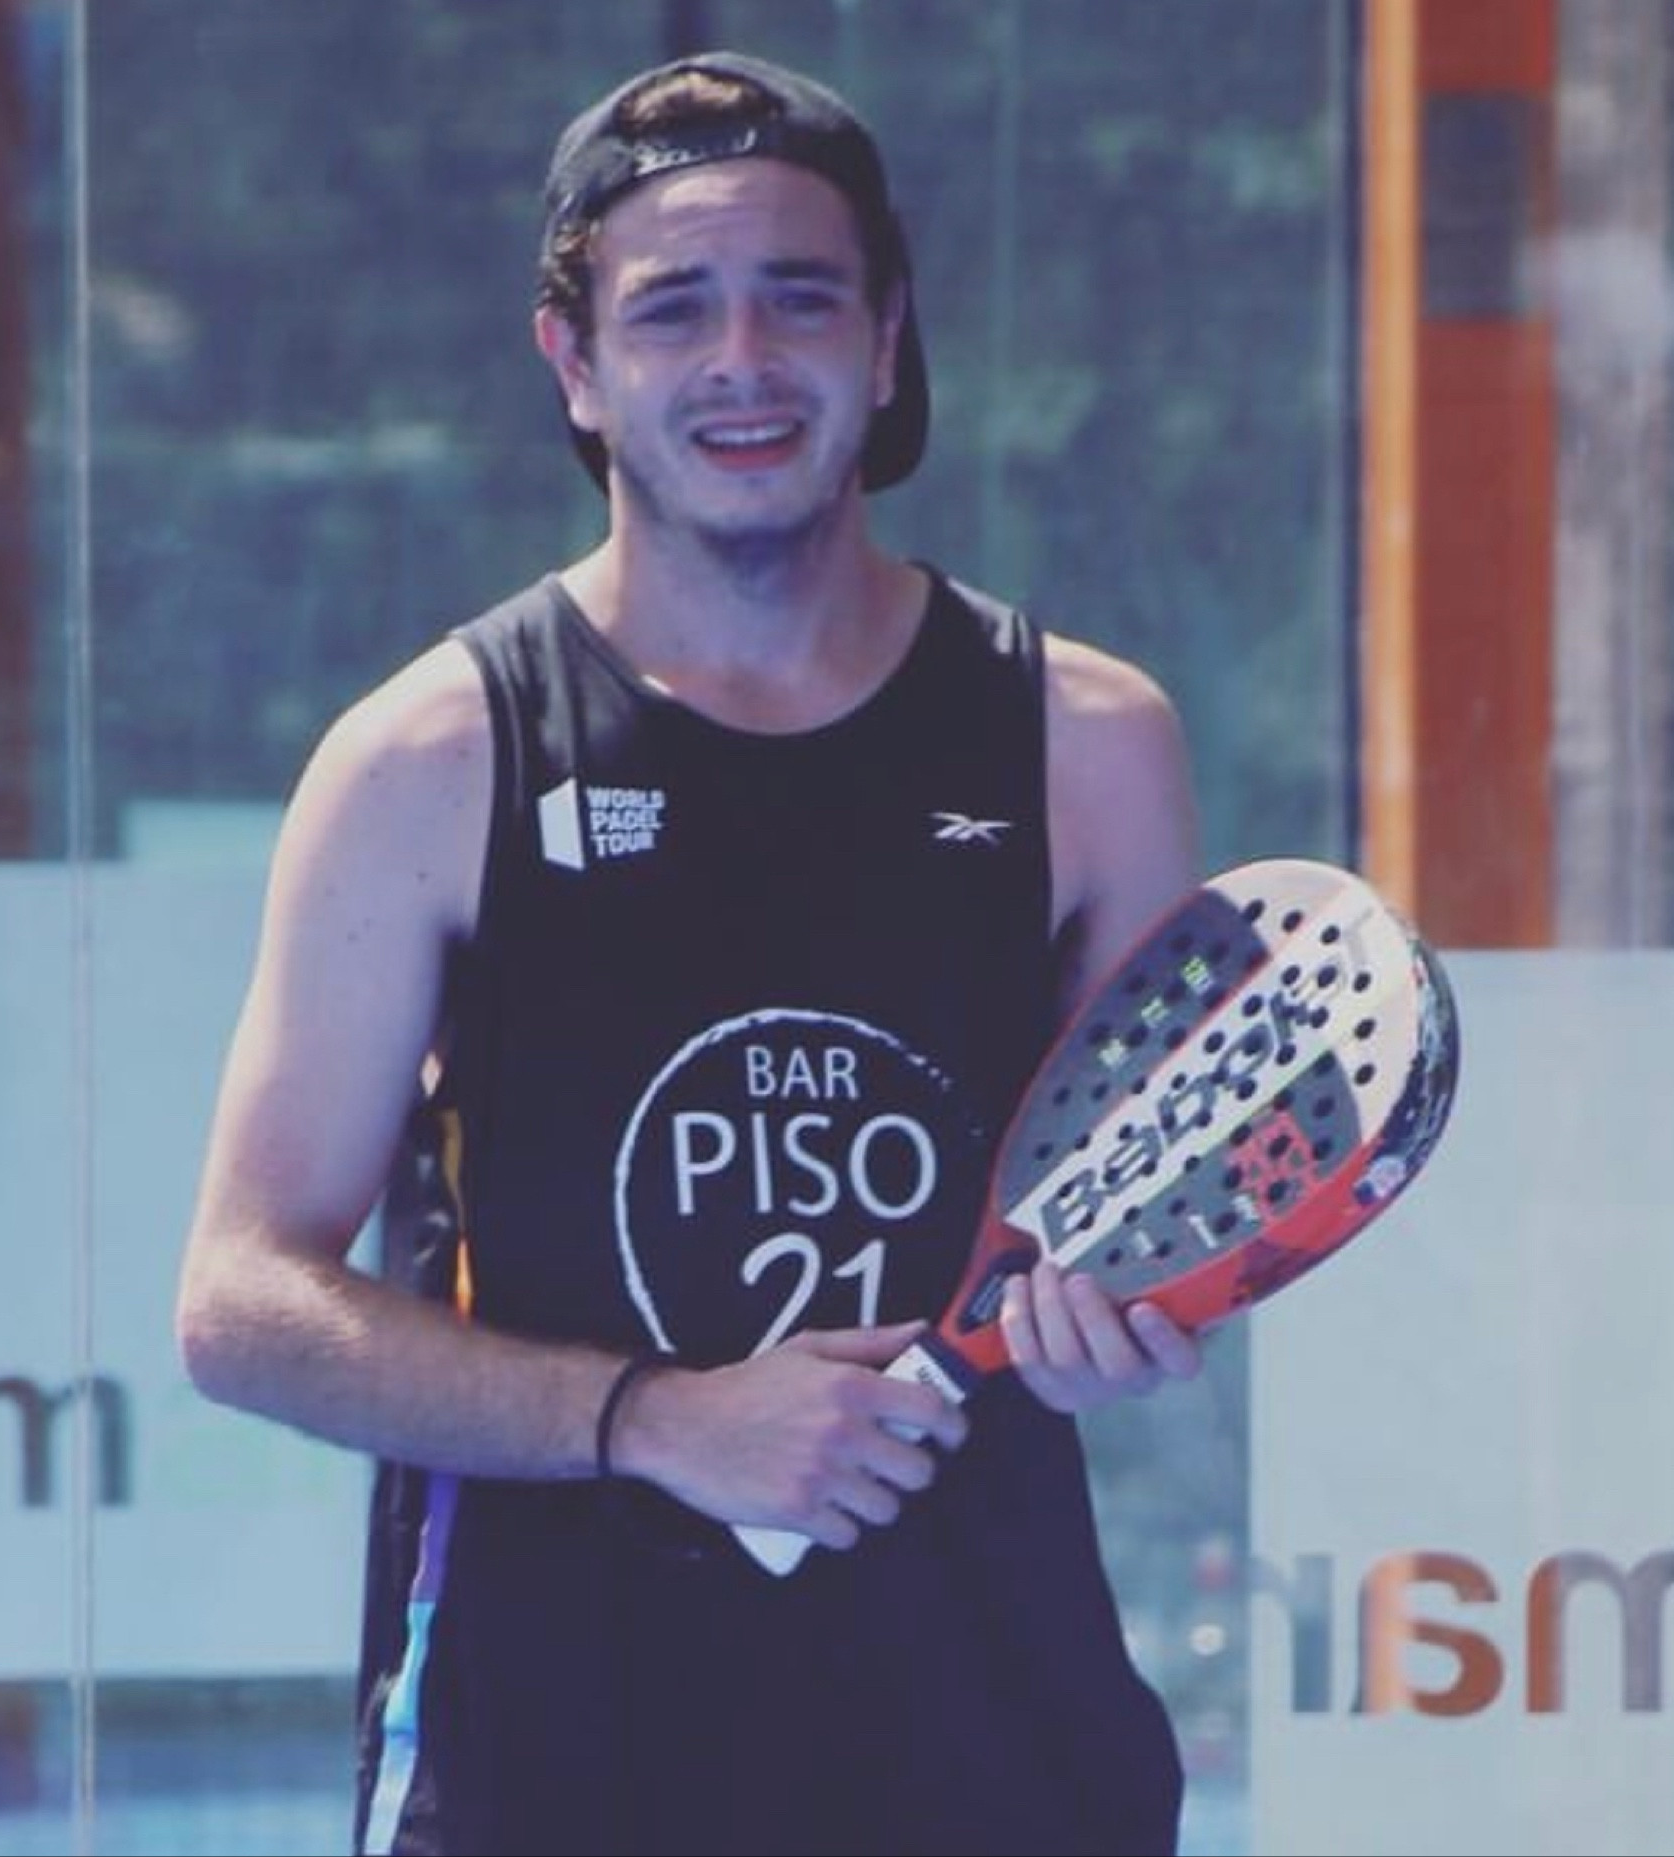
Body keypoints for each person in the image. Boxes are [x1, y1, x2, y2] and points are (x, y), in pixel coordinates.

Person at [176, 47, 1208, 1857]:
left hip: (999, 1757)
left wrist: (1122, 1326)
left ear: (885, 344)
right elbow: (243, 1305)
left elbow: (1150, 1236)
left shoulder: (1089, 744)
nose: (743, 358)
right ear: (575, 364)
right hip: (548, 1770)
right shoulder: (431, 759)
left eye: (800, 299)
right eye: (672, 309)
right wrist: (655, 1419)